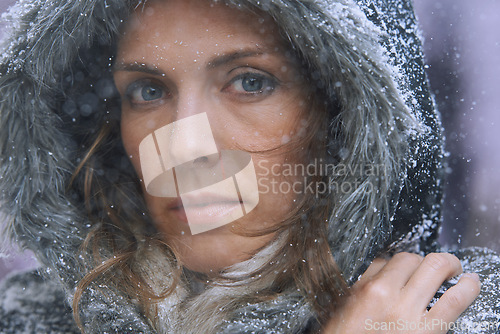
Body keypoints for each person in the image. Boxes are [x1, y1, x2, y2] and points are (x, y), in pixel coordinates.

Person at [0, 0, 499, 333]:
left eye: (250, 82)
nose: (184, 150)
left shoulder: (468, 312)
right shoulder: (23, 320)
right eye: (148, 91)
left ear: (344, 116)